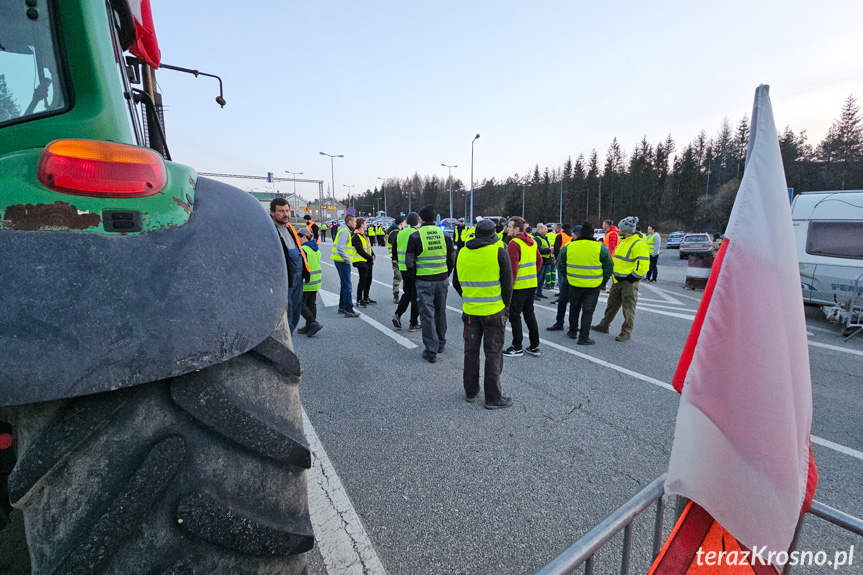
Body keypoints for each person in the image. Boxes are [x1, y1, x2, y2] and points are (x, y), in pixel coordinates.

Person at [453, 219, 514, 409]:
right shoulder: (498, 252)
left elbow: (456, 282)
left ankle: (471, 392)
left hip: (471, 312)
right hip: (494, 312)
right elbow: (507, 285)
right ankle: (493, 398)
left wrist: (470, 297)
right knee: (493, 353)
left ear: (476, 233)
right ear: (493, 235)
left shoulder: (462, 252)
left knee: (471, 352)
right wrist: (506, 307)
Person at [406, 204, 455, 363]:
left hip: (424, 281)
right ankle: (441, 344)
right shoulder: (445, 235)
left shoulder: (415, 236)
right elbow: (451, 259)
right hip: (442, 280)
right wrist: (446, 274)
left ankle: (431, 351)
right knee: (440, 312)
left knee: (427, 315)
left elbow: (409, 262)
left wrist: (415, 278)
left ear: (421, 219)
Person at [592, 216, 650, 342]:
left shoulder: (638, 244)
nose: (618, 229)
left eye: (620, 228)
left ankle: (626, 332)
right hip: (618, 280)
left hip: (628, 282)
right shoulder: (624, 241)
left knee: (628, 307)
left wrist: (633, 277)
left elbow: (644, 264)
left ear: (626, 229)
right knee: (612, 305)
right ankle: (604, 325)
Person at [559, 222, 612, 345]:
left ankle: (572, 332)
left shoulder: (569, 247)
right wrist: (603, 281)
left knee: (574, 308)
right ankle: (583, 337)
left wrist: (567, 278)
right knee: (588, 311)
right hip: (593, 286)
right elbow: (609, 266)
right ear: (593, 234)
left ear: (580, 234)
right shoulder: (600, 248)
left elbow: (561, 264)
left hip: (574, 283)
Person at [502, 216, 542, 357]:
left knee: (515, 316)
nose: (508, 229)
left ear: (517, 229)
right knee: (529, 314)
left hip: (518, 286)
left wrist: (508, 287)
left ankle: (517, 346)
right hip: (531, 284)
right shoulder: (531, 241)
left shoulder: (514, 243)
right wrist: (532, 274)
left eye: (510, 227)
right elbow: (539, 260)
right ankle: (534, 345)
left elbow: (512, 269)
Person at [270, 198, 310, 334]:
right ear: (272, 212)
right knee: (287, 314)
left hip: (298, 278)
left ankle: (290, 341)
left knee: (296, 311)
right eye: (281, 211)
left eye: (287, 211)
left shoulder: (290, 228)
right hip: (285, 279)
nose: (285, 214)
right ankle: (287, 346)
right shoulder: (270, 230)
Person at [393, 212, 421, 332]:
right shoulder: (417, 233)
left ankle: (397, 315)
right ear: (417, 222)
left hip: (403, 267)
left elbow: (394, 250)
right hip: (414, 268)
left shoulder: (400, 233)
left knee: (407, 293)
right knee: (416, 296)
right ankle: (413, 323)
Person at [331, 214, 360, 318]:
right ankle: (348, 309)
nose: (356, 223)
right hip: (342, 261)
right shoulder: (344, 231)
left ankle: (342, 307)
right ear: (349, 222)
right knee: (347, 285)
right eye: (354, 221)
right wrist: (347, 259)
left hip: (340, 261)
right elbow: (340, 247)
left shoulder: (345, 230)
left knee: (344, 284)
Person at [297, 228, 324, 336]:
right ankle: (309, 325)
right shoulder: (315, 249)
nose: (297, 239)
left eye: (298, 237)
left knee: (300, 304)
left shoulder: (303, 250)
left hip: (306, 282)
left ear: (304, 237)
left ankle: (312, 323)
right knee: (311, 304)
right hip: (315, 281)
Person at [352, 217, 376, 307]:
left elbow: (368, 247)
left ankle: (366, 297)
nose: (366, 225)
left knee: (368, 280)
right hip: (361, 261)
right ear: (361, 224)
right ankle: (359, 299)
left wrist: (373, 255)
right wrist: (369, 257)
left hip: (368, 261)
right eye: (365, 223)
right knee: (362, 280)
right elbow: (359, 250)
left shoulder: (364, 235)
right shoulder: (356, 236)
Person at [388, 216, 406, 303]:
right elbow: (396, 243)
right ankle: (396, 294)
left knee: (403, 276)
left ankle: (406, 293)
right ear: (401, 223)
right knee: (398, 276)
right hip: (396, 258)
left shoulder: (397, 232)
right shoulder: (394, 233)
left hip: (400, 257)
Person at [534, 223, 552, 299]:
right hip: (541, 261)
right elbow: (537, 250)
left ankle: (539, 292)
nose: (546, 230)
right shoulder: (537, 238)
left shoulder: (545, 238)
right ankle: (534, 293)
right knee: (538, 278)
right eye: (545, 229)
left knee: (542, 279)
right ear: (540, 230)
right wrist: (548, 250)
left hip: (546, 261)